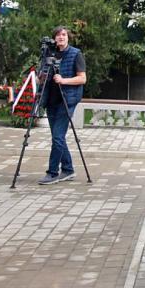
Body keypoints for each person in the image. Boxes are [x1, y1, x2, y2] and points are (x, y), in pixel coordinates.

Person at [37, 26, 87, 185]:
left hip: (67, 100)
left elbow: (82, 79)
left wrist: (63, 80)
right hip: (50, 99)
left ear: (68, 37)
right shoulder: (49, 53)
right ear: (54, 38)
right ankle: (68, 169)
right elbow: (41, 75)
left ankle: (52, 173)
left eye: (64, 35)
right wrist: (41, 76)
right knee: (57, 137)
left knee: (58, 137)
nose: (61, 37)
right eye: (58, 35)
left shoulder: (75, 54)